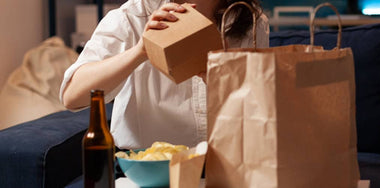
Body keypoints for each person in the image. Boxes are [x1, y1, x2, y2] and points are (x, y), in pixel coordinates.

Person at [60, 0, 269, 150]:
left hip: (227, 164)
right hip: (147, 169)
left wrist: (223, 83)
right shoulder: (133, 17)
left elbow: (259, 109)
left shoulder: (251, 20)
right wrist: (140, 51)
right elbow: (72, 95)